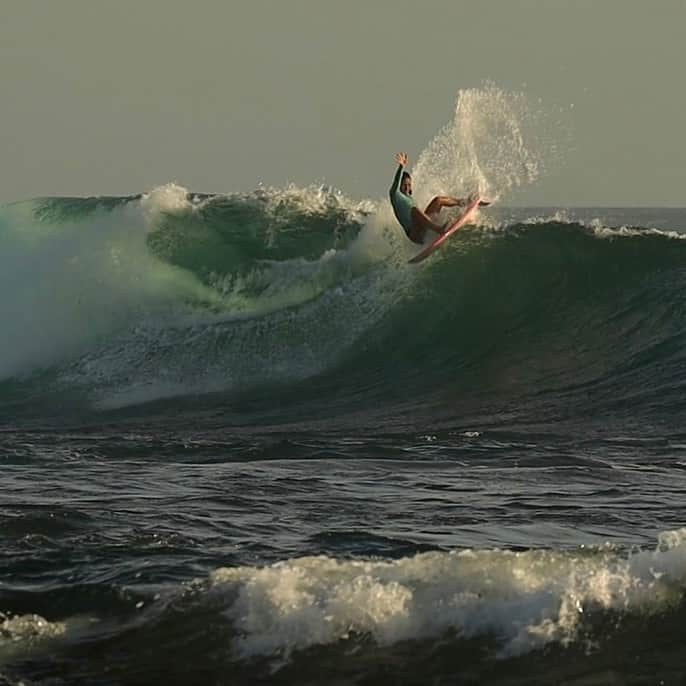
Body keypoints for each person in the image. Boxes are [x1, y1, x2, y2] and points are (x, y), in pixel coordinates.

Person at [389, 152, 489, 244]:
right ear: (399, 185)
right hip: (414, 235)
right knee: (414, 210)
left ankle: (464, 202)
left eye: (409, 184)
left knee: (438, 200)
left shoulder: (409, 198)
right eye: (404, 185)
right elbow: (396, 181)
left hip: (422, 228)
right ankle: (438, 229)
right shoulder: (395, 195)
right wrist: (401, 166)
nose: (407, 187)